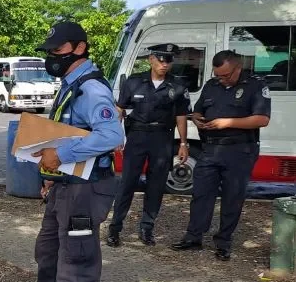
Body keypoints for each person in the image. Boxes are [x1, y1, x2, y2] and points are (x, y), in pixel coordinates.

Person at [11, 21, 124, 282]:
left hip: (86, 191)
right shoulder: (69, 85)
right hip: (64, 185)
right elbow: (67, 131)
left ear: (79, 47)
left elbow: (112, 136)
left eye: (57, 51)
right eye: (49, 51)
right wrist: (51, 173)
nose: (51, 57)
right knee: (48, 254)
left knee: (76, 265)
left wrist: (60, 156)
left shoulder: (91, 89)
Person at [170, 50, 271, 261]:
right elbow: (197, 110)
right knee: (201, 194)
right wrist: (197, 119)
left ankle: (223, 242)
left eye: (226, 75)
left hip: (239, 150)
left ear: (238, 68)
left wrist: (227, 122)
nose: (222, 79)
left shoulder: (255, 85)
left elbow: (261, 119)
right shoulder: (211, 85)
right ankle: (193, 237)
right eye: (218, 75)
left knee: (232, 197)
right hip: (210, 149)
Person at [107, 44, 192, 247]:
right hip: (137, 136)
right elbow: (120, 109)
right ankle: (115, 228)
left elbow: (181, 116)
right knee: (127, 183)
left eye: (168, 61)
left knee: (156, 186)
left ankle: (147, 228)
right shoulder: (134, 82)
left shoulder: (177, 86)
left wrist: (183, 143)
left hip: (162, 138)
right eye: (161, 60)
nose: (164, 64)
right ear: (151, 60)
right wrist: (115, 136)